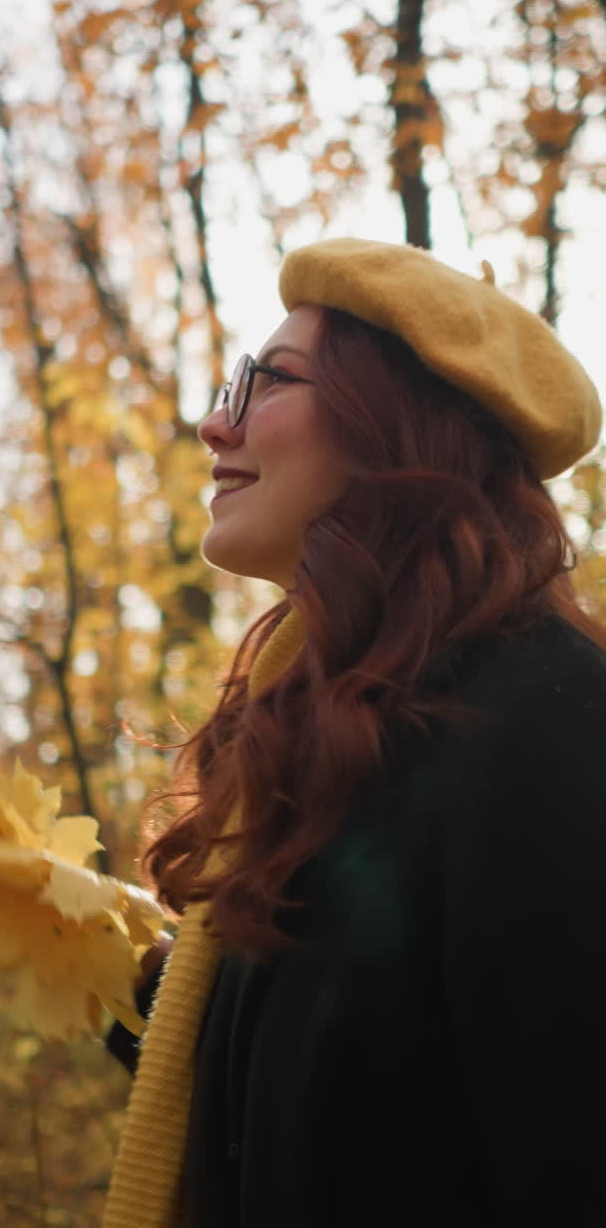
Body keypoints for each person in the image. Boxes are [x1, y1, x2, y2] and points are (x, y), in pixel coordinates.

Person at [102, 239, 606, 1228]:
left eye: (267, 380)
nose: (215, 421)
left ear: (398, 424)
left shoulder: (546, 720)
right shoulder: (336, 739)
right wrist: (124, 982)